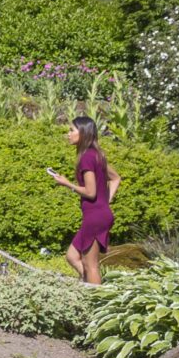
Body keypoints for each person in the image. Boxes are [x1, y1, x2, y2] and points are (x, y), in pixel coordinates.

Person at [45, 116, 118, 284]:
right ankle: (85, 284)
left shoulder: (86, 158)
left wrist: (67, 184)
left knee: (90, 264)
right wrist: (105, 202)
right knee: (72, 256)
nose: (68, 134)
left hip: (95, 216)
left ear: (83, 133)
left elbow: (90, 192)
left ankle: (95, 302)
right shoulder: (97, 154)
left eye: (71, 130)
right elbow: (115, 179)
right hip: (98, 214)